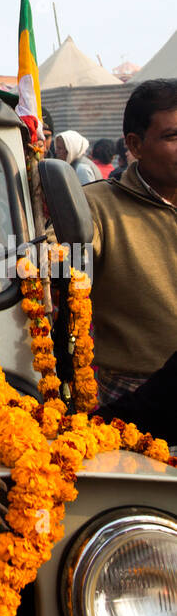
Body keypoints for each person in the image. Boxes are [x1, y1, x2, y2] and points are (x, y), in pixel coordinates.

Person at [83, 79, 177, 406]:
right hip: (134, 393)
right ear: (135, 146)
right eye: (172, 136)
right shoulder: (97, 206)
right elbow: (50, 264)